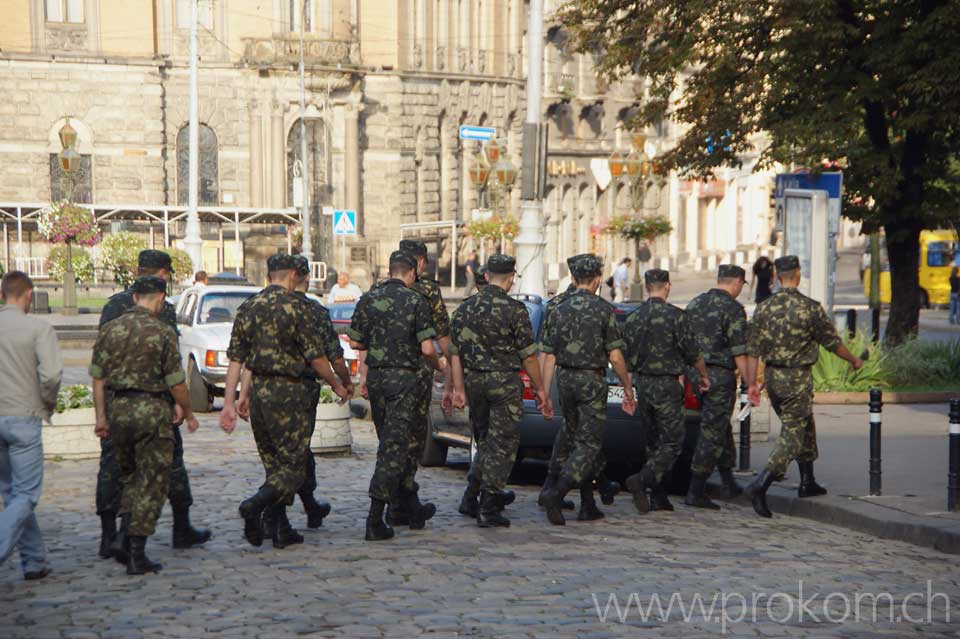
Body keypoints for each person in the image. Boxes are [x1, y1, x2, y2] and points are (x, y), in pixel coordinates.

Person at [219, 254, 350, 548]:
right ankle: (254, 505)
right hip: (293, 393)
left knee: (273, 462)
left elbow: (237, 361)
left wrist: (236, 398)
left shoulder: (248, 308)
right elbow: (316, 358)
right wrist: (337, 385)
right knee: (293, 465)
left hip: (261, 392)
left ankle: (280, 528)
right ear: (293, 275)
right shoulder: (298, 308)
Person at [96, 250, 209, 561]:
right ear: (162, 275)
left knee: (113, 467)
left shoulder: (112, 305)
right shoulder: (162, 311)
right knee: (167, 464)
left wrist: (102, 411)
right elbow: (168, 363)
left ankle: (109, 535)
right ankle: (177, 528)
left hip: (115, 400)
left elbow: (100, 359)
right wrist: (182, 407)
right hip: (154, 402)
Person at [744, 255, 863, 518]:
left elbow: (752, 350)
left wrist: (751, 383)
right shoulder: (809, 308)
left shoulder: (764, 308)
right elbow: (832, 342)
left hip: (774, 378)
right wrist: (854, 360)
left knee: (804, 424)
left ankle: (807, 482)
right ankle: (760, 484)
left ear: (777, 275)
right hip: (797, 378)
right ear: (797, 274)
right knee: (793, 433)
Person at [347, 250, 454, 540]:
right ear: (412, 273)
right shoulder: (415, 300)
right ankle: (375, 517)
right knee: (394, 449)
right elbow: (427, 349)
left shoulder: (369, 298)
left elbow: (355, 340)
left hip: (379, 378)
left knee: (393, 443)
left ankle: (408, 505)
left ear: (390, 270)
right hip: (404, 381)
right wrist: (440, 365)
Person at [450, 254, 550, 527]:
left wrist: (458, 388)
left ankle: (471, 496)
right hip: (504, 383)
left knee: (485, 441)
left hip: (475, 382)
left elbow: (454, 354)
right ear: (510, 279)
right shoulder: (514, 310)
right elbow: (529, 357)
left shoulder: (465, 309)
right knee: (502, 445)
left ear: (485, 276)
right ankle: (490, 505)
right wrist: (540, 389)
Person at [538, 255, 635, 526]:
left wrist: (544, 393)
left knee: (574, 435)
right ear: (595, 281)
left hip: (565, 379)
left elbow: (547, 356)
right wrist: (627, 387)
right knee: (589, 444)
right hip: (591, 380)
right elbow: (615, 356)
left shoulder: (558, 309)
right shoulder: (603, 310)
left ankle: (588, 503)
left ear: (572, 280)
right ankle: (556, 493)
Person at [622, 269, 709, 514]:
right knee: (672, 441)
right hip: (667, 384)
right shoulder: (676, 317)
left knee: (653, 442)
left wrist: (628, 389)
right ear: (667, 286)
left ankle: (659, 496)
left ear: (648, 286)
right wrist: (703, 376)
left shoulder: (634, 318)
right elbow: (694, 353)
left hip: (643, 383)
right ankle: (642, 480)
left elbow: (626, 358)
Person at [0, 272, 62, 581]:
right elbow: (51, 375)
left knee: (12, 493)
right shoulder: (38, 328)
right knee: (26, 495)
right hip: (24, 415)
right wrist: (46, 404)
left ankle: (34, 560)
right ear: (28, 296)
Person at [390, 239, 453, 528]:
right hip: (416, 374)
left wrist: (364, 376)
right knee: (412, 442)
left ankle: (398, 503)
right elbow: (441, 334)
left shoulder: (381, 289)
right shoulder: (427, 290)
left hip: (384, 377)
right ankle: (403, 503)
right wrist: (448, 368)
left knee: (390, 443)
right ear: (421, 263)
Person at [683, 265, 751, 509]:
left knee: (719, 427)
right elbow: (740, 351)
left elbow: (684, 342)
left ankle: (727, 479)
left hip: (693, 374)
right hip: (719, 376)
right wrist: (749, 382)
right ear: (737, 282)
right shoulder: (733, 309)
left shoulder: (695, 304)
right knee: (712, 430)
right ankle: (696, 489)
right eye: (743, 285)